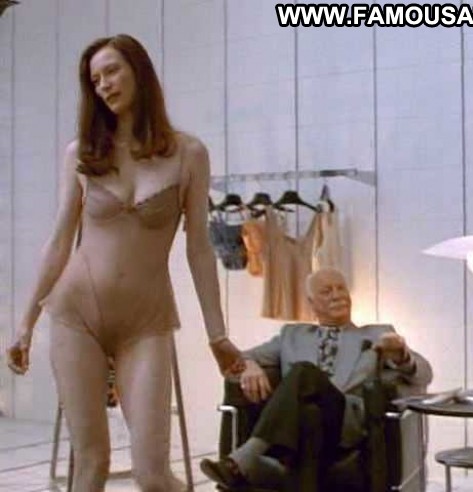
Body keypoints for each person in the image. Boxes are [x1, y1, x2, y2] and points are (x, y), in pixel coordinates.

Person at [5, 34, 244, 491]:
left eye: (112, 71)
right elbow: (59, 241)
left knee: (153, 473)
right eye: (95, 80)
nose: (104, 85)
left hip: (145, 322)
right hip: (77, 315)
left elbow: (199, 248)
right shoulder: (81, 153)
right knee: (90, 462)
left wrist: (218, 335)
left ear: (139, 70)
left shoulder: (189, 154)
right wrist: (25, 325)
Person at [200, 267, 432, 490]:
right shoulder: (292, 335)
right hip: (302, 423)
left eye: (341, 288)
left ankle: (247, 456)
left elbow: (424, 373)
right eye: (327, 291)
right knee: (309, 414)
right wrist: (250, 365)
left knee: (303, 371)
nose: (337, 295)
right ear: (312, 304)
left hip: (344, 419)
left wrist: (401, 355)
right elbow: (236, 361)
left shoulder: (376, 333)